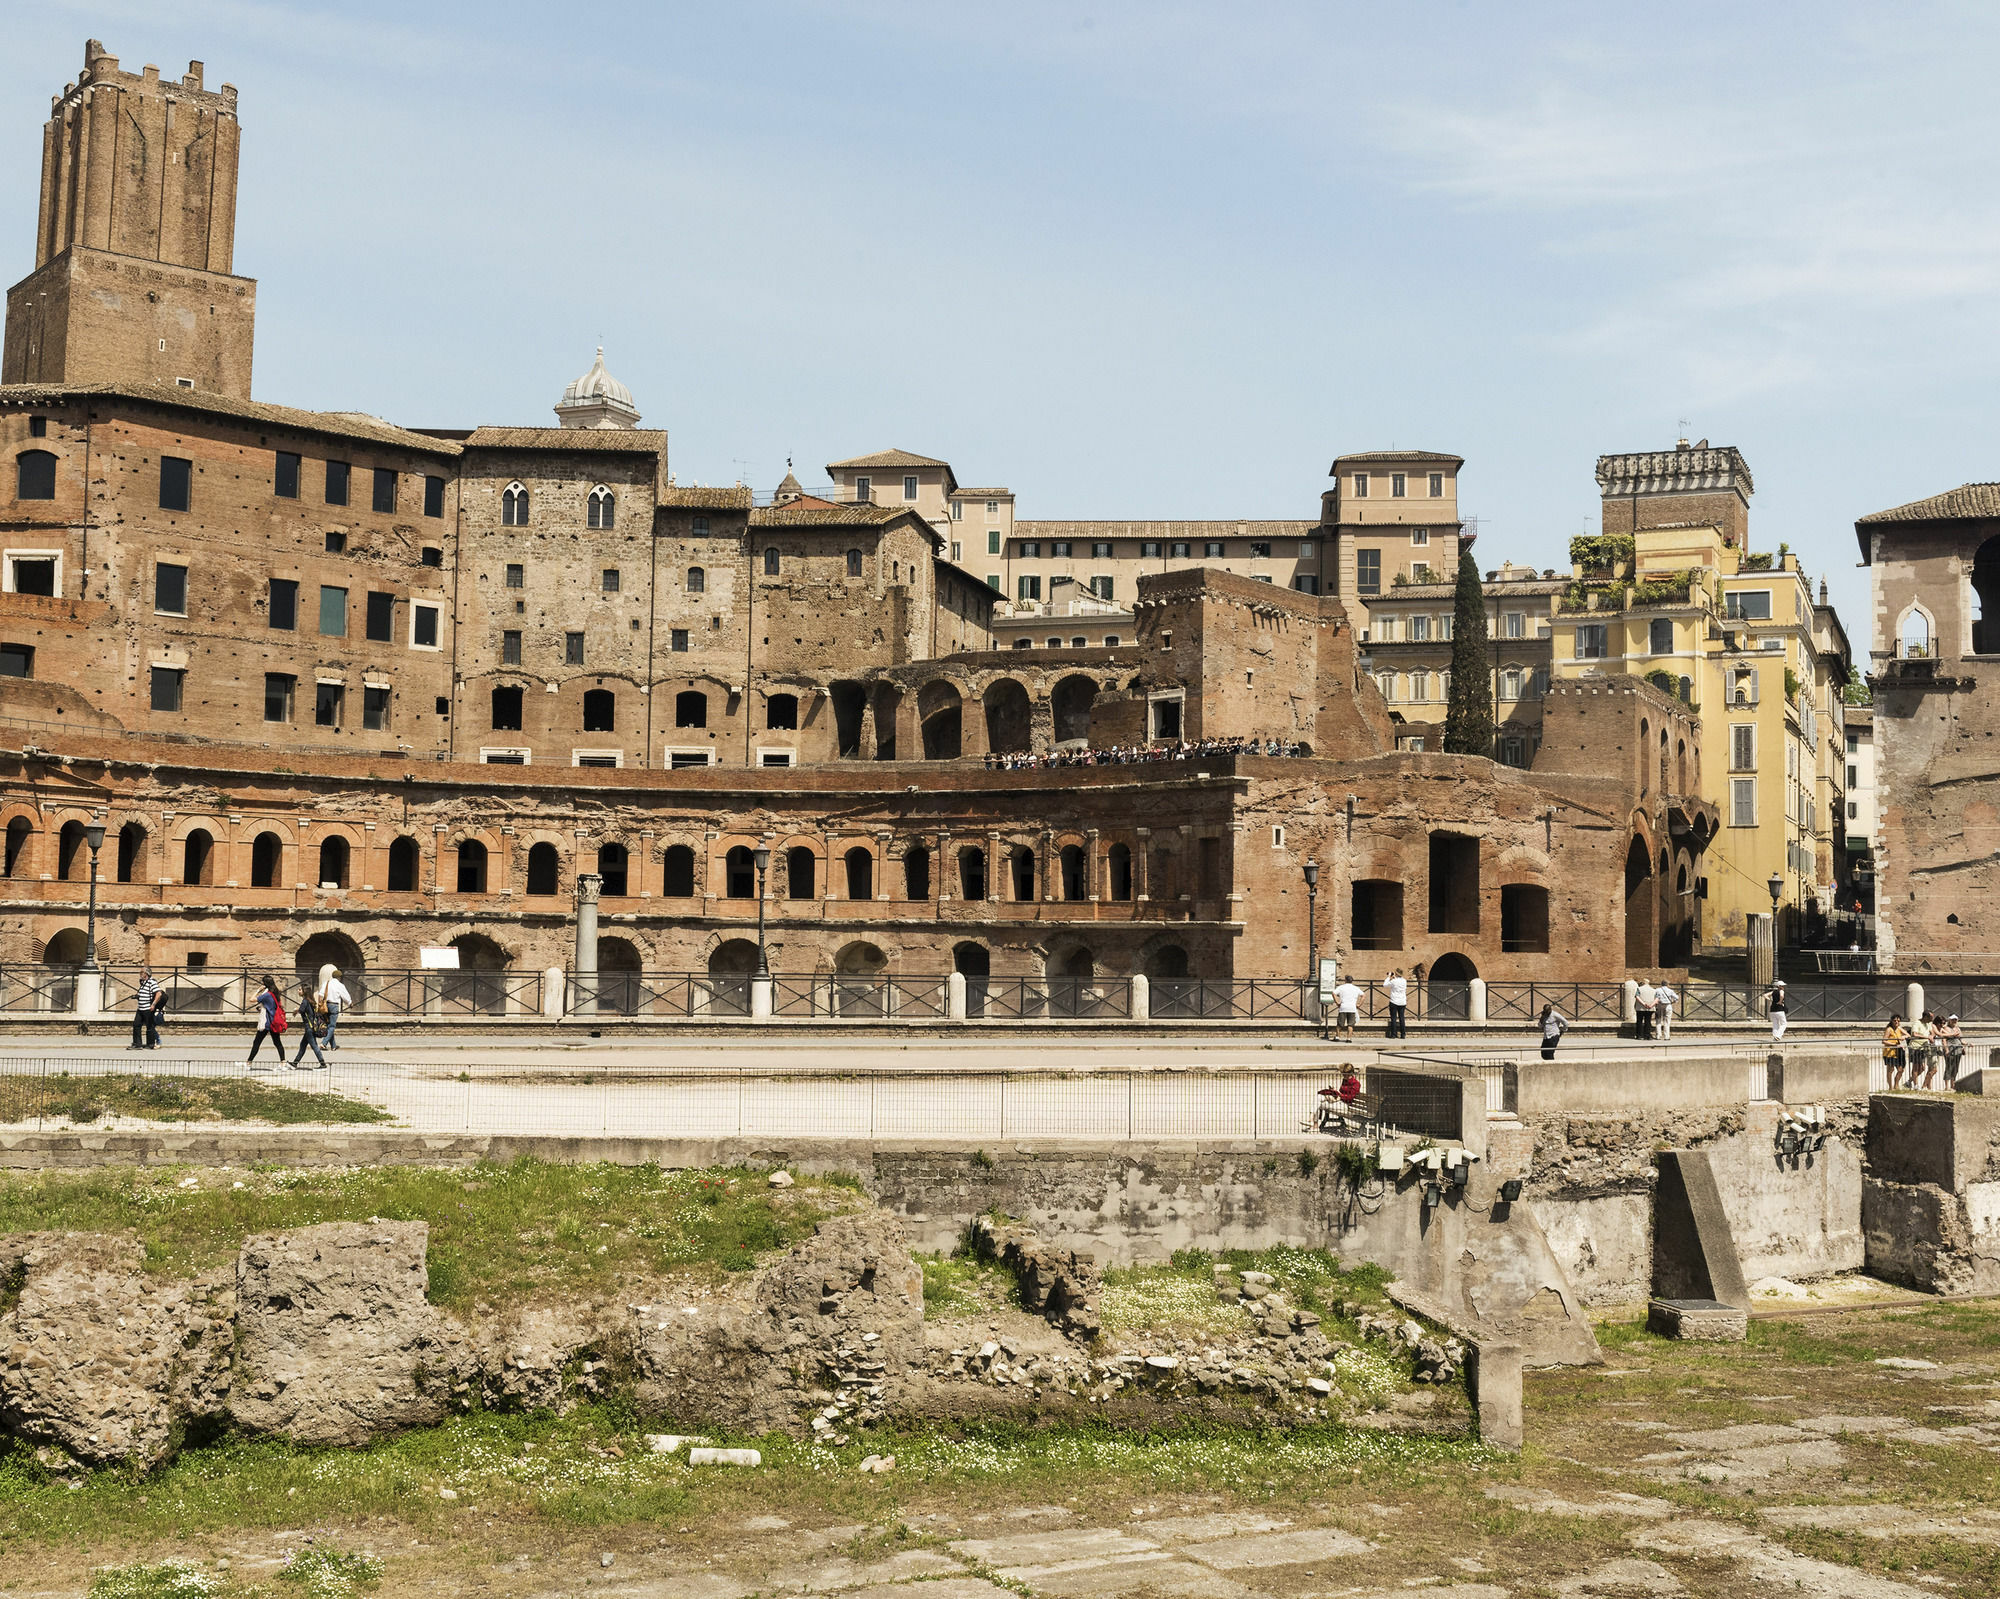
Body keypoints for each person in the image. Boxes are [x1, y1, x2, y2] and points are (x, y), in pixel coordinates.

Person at [289, 977, 328, 1070]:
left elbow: (302, 1010)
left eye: (299, 989)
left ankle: (323, 1064)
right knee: (303, 1045)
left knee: (314, 1046)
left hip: (309, 1027)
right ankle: (295, 1063)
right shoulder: (310, 1001)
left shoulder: (305, 1001)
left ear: (304, 991)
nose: (298, 991)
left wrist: (295, 1010)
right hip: (310, 1026)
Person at [247, 975, 286, 1067]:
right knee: (277, 1043)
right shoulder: (275, 993)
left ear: (265, 984)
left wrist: (258, 990)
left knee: (257, 1042)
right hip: (274, 1022)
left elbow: (251, 999)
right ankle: (283, 1062)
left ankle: (249, 1062)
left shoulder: (267, 995)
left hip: (267, 1023)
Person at [322, 965, 353, 1050]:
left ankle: (333, 1046)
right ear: (339, 977)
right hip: (334, 1006)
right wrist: (350, 1003)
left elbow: (321, 995)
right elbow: (345, 996)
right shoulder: (340, 985)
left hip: (326, 1006)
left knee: (329, 1026)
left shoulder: (326, 983)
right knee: (332, 1027)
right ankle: (323, 1043)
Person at [130, 965, 160, 1051]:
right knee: (136, 1025)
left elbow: (159, 994)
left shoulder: (152, 982)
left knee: (149, 1027)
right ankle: (137, 1044)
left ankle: (150, 1044)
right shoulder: (143, 983)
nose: (140, 974)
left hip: (148, 1008)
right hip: (140, 1008)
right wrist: (137, 996)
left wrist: (153, 1004)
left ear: (146, 973)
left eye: (141, 972)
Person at [1907, 1010, 1934, 1089]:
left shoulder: (1928, 1024)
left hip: (1923, 1047)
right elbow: (1914, 1034)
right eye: (1930, 1017)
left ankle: (1909, 1081)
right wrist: (1927, 1037)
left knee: (1922, 1068)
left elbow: (1932, 1032)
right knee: (1915, 1067)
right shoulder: (1917, 1023)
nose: (1932, 1019)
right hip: (1915, 1047)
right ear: (1925, 1017)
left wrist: (1931, 1036)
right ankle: (1916, 1085)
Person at [1940, 1014, 1965, 1088]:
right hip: (1950, 1050)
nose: (1954, 1021)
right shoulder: (1945, 1028)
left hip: (1958, 1050)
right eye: (1953, 1019)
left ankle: (1952, 1085)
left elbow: (1961, 1040)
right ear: (1949, 1020)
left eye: (1955, 1019)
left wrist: (1967, 1044)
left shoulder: (1958, 1028)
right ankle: (1947, 1086)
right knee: (1949, 1067)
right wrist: (1946, 1050)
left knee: (1955, 1068)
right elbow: (1944, 1040)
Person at [1333, 977, 1361, 1042]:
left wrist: (1337, 1002)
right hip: (1352, 1008)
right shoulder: (1356, 988)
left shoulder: (1341, 987)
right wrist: (1359, 1004)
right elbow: (1363, 995)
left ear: (1345, 980)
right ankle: (1349, 1038)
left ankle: (1337, 1037)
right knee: (1350, 1024)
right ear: (1352, 981)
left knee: (1340, 1024)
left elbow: (1333, 993)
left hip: (1343, 1007)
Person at [1883, 1013, 1907, 1089]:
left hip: (1898, 1051)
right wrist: (1893, 1044)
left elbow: (1908, 1035)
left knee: (1901, 1069)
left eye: (1898, 1021)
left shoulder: (1899, 1028)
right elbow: (1884, 1041)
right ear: (1892, 1021)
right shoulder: (1889, 1029)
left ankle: (1896, 1083)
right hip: (1890, 1052)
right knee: (1890, 1070)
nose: (1896, 1022)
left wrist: (1903, 1037)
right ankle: (1890, 1087)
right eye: (1895, 1021)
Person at [1385, 970, 1408, 1039]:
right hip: (1402, 1002)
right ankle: (1403, 1034)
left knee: (1393, 1018)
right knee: (1402, 1018)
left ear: (1396, 974)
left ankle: (1393, 1035)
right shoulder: (1404, 981)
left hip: (1394, 1001)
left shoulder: (1394, 981)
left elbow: (1385, 985)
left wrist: (1389, 977)